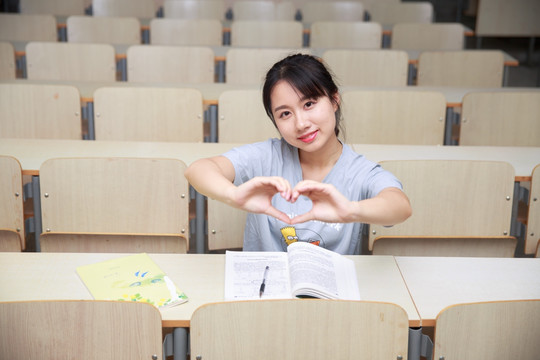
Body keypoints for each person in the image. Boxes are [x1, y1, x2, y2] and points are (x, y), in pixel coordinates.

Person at [185, 53, 412, 254]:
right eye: (285, 114)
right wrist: (232, 195)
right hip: (263, 295)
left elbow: (399, 206)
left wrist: (351, 210)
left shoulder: (359, 171)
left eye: (309, 104)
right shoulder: (267, 156)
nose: (301, 124)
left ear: (334, 100)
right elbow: (198, 170)